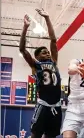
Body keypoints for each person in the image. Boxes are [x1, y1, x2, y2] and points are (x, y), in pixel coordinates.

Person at [19, 9, 62, 138]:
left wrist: (47, 18)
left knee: (51, 136)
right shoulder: (35, 65)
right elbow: (22, 49)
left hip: (57, 106)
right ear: (37, 56)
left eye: (47, 51)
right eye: (44, 52)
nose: (47, 53)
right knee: (35, 135)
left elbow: (53, 40)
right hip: (43, 104)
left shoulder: (54, 62)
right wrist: (25, 27)